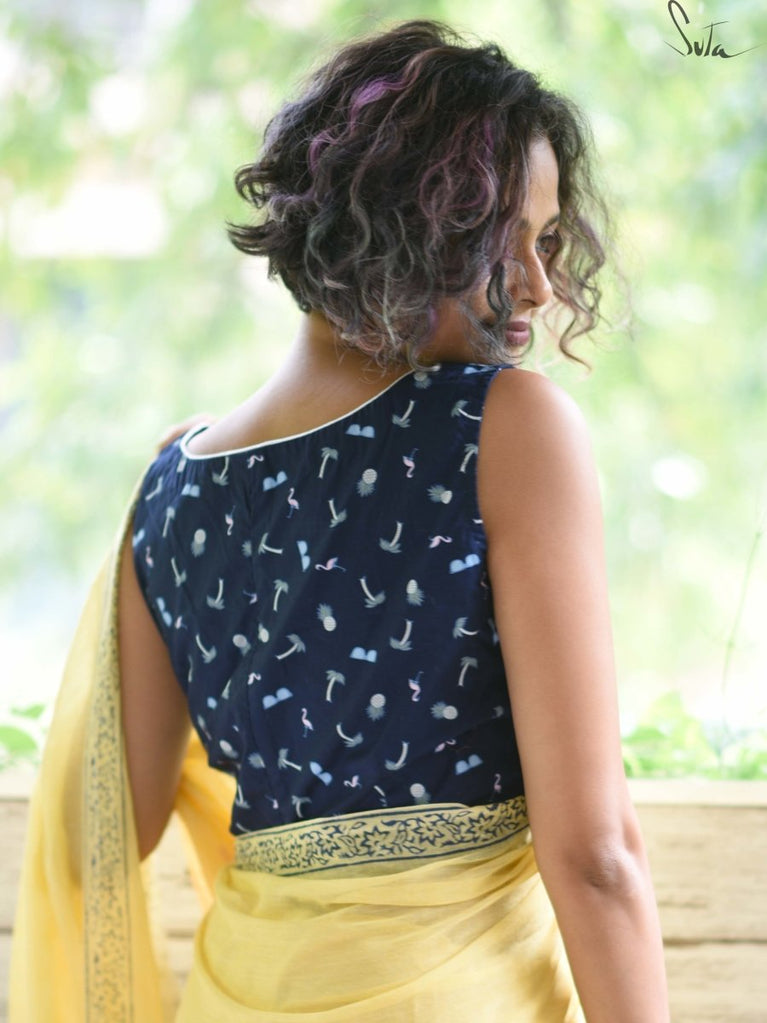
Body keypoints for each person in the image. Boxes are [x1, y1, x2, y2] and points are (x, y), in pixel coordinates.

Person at [11, 19, 669, 1023]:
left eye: (546, 242)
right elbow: (593, 854)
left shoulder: (173, 486)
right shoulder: (505, 428)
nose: (540, 285)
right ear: (404, 228)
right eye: (503, 241)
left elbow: (116, 824)